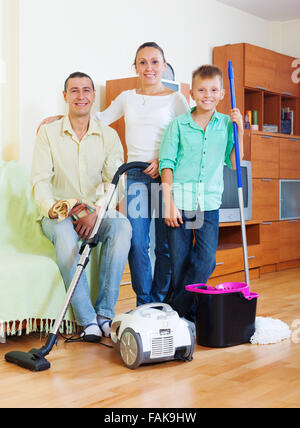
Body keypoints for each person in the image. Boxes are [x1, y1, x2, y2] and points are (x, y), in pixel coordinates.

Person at [37, 42, 190, 306]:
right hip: (136, 178)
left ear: (164, 66)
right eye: (142, 62)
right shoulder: (126, 98)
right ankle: (144, 303)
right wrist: (57, 118)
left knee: (164, 247)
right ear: (135, 67)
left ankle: (159, 301)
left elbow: (187, 138)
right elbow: (97, 118)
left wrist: (161, 158)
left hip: (166, 176)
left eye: (155, 62)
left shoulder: (176, 99)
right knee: (139, 244)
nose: (149, 68)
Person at [31, 72, 132, 342]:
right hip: (58, 213)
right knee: (65, 234)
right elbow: (40, 181)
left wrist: (96, 212)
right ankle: (87, 319)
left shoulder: (108, 137)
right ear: (65, 96)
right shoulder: (48, 133)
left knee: (122, 226)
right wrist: (55, 209)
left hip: (93, 211)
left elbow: (116, 182)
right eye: (74, 91)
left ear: (93, 97)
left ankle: (104, 315)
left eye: (86, 90)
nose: (81, 96)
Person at [159, 64, 244, 322]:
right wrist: (168, 203)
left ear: (221, 93)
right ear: (192, 93)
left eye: (214, 90)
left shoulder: (226, 125)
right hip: (181, 201)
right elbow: (167, 165)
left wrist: (241, 131)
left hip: (208, 203)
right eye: (202, 90)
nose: (208, 95)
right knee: (180, 262)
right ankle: (190, 316)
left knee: (206, 260)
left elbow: (235, 161)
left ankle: (172, 310)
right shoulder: (178, 126)